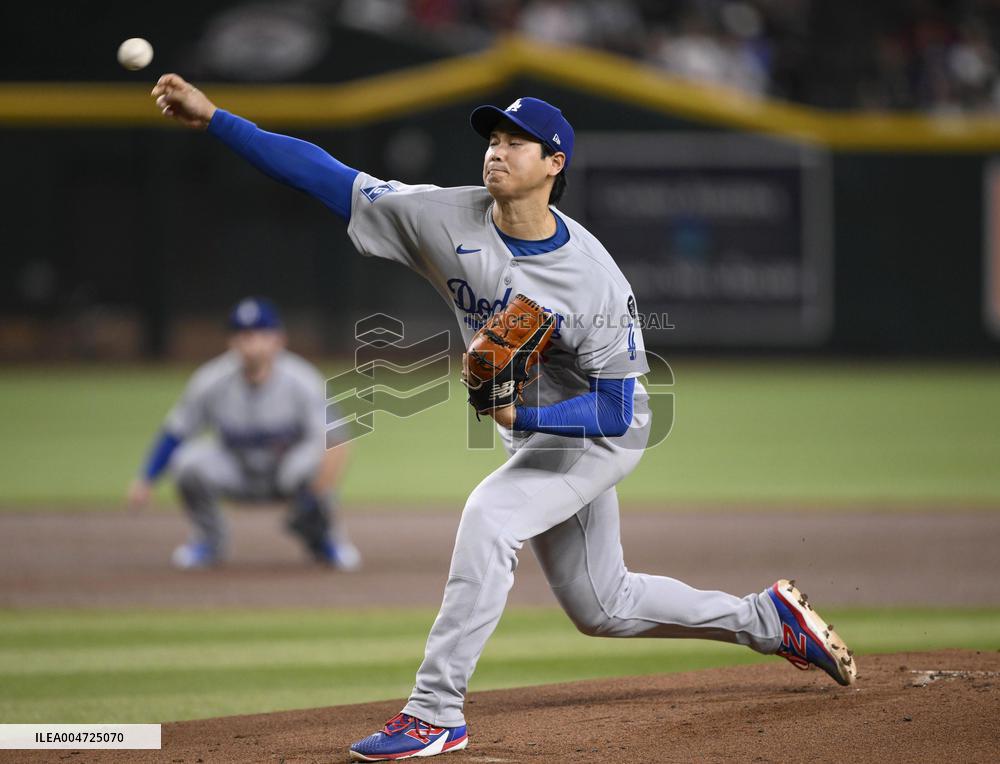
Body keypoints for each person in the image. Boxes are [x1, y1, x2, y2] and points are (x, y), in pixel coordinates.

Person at [150, 75, 856, 761]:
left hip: (602, 431)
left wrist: (518, 411)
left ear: (555, 164)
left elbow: (619, 408)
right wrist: (217, 119)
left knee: (490, 517)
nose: (497, 148)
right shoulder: (441, 215)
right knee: (602, 606)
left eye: (518, 141)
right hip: (540, 426)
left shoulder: (593, 278)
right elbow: (324, 174)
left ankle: (435, 713)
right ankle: (769, 620)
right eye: (493, 136)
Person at [127, 296, 360, 571]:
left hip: (286, 473)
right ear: (232, 341)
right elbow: (176, 432)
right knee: (187, 463)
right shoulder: (210, 379)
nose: (251, 342)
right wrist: (146, 478)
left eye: (260, 333)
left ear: (278, 339)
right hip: (235, 471)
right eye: (242, 334)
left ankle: (324, 540)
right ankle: (210, 542)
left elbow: (337, 442)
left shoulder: (303, 380)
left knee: (313, 460)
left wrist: (312, 499)